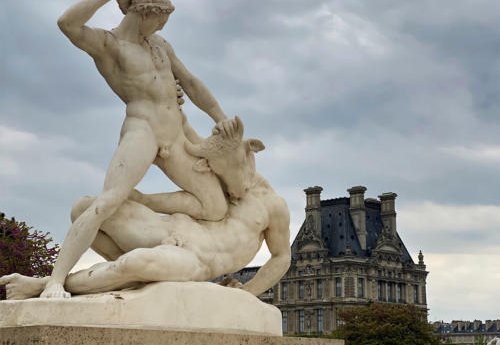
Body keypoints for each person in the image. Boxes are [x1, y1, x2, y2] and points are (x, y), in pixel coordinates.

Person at [40, 0, 232, 299]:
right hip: (143, 129)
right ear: (143, 12)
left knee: (215, 207)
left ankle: (150, 240)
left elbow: (191, 82)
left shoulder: (158, 44)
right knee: (106, 203)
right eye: (159, 20)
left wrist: (219, 117)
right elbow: (67, 23)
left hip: (175, 134)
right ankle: (55, 281)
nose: (162, 27)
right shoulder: (109, 45)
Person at [0, 118, 291, 300]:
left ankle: (43, 285)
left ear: (250, 154)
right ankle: (111, 278)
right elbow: (188, 141)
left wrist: (249, 292)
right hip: (169, 230)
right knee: (86, 208)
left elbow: (281, 257)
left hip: (196, 259)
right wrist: (176, 106)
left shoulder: (273, 206)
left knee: (134, 263)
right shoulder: (215, 167)